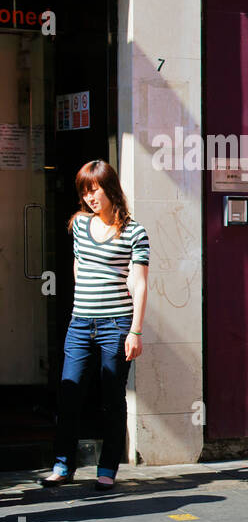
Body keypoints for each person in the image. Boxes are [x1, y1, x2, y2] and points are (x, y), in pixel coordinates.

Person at [42, 161, 150, 490]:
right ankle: (62, 465)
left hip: (116, 325)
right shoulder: (78, 226)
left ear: (110, 189)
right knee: (69, 393)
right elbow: (79, 267)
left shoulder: (134, 231)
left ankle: (108, 467)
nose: (89, 197)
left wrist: (135, 330)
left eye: (95, 189)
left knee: (112, 397)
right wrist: (85, 302)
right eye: (85, 191)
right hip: (80, 323)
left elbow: (140, 283)